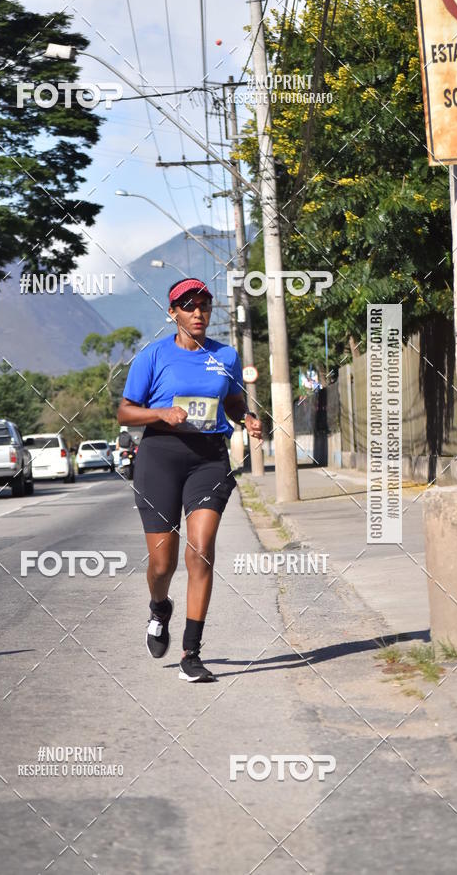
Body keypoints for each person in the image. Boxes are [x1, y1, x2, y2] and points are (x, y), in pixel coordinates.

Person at [117, 277, 263, 683]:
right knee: (162, 562)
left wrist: (245, 418)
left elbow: (232, 401)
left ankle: (191, 653)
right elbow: (126, 412)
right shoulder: (152, 356)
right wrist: (160, 414)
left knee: (200, 551)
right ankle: (159, 607)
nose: (198, 313)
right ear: (173, 313)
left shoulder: (226, 356)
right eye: (189, 306)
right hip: (160, 456)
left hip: (208, 460)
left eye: (204, 306)